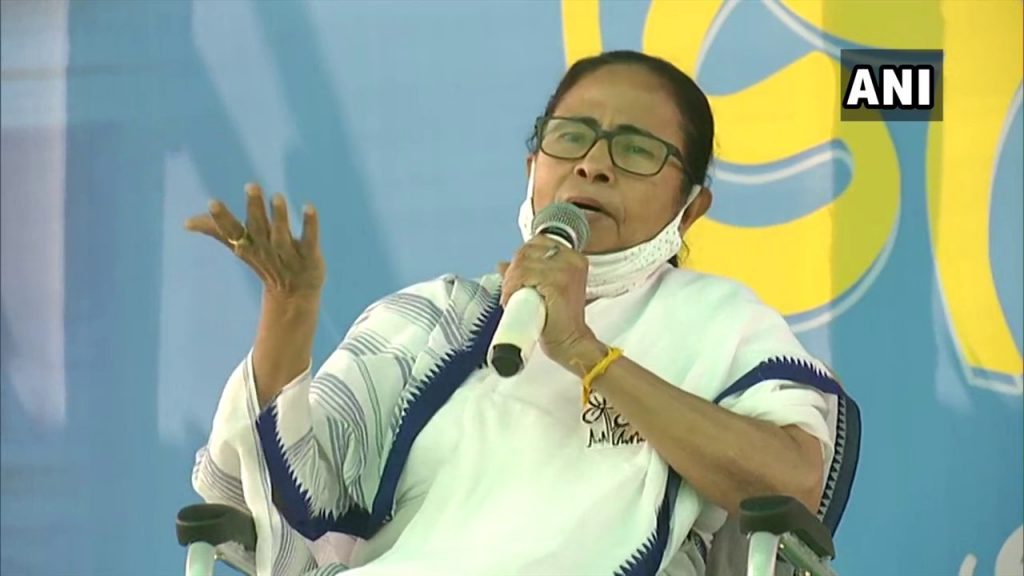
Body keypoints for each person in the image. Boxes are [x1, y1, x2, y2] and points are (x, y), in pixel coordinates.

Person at [186, 50, 842, 576]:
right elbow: (252, 499)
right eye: (571, 138)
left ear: (691, 208)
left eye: (637, 150)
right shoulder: (436, 317)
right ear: (533, 169)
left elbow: (791, 483)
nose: (593, 165)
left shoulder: (718, 321)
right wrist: (290, 312)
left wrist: (586, 352)